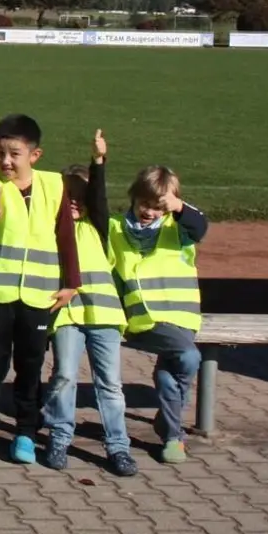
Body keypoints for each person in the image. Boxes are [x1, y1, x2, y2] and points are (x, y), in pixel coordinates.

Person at [0, 114, 81, 465]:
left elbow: (66, 236)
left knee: (30, 367)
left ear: (34, 156)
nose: (5, 161)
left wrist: (71, 283)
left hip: (39, 297)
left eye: (14, 154)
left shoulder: (54, 185)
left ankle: (25, 432)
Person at [42, 130, 139, 477]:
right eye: (68, 195)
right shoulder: (54, 230)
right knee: (65, 375)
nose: (74, 201)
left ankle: (118, 446)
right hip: (67, 315)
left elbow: (98, 199)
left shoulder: (100, 226)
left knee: (109, 382)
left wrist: (98, 163)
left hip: (103, 315)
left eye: (81, 196)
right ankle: (59, 436)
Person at [109, 164, 209, 465]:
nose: (149, 212)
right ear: (133, 199)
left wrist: (177, 206)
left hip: (182, 319)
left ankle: (169, 430)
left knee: (169, 375)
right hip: (143, 322)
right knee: (189, 358)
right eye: (144, 204)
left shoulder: (178, 229)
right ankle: (173, 435)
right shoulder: (115, 228)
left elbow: (200, 226)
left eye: (157, 207)